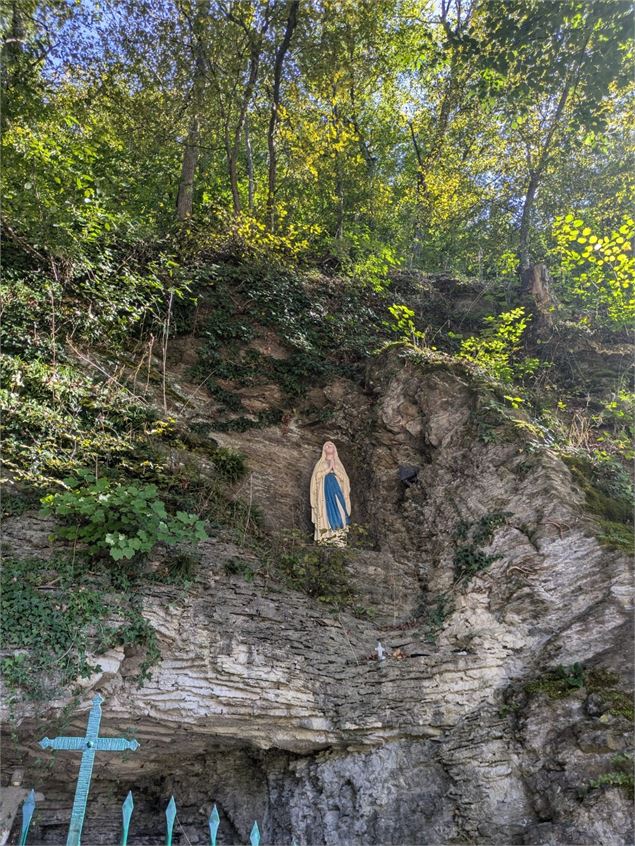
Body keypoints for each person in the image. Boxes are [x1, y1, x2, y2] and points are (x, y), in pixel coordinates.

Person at [310, 441, 351, 546]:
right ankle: (326, 538)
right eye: (327, 445)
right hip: (324, 494)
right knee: (325, 513)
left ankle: (338, 538)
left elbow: (345, 481)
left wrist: (335, 470)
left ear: (335, 449)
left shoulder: (338, 464)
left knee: (340, 512)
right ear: (324, 449)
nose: (329, 446)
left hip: (337, 492)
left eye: (331, 445)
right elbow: (316, 479)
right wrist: (328, 469)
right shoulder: (320, 464)